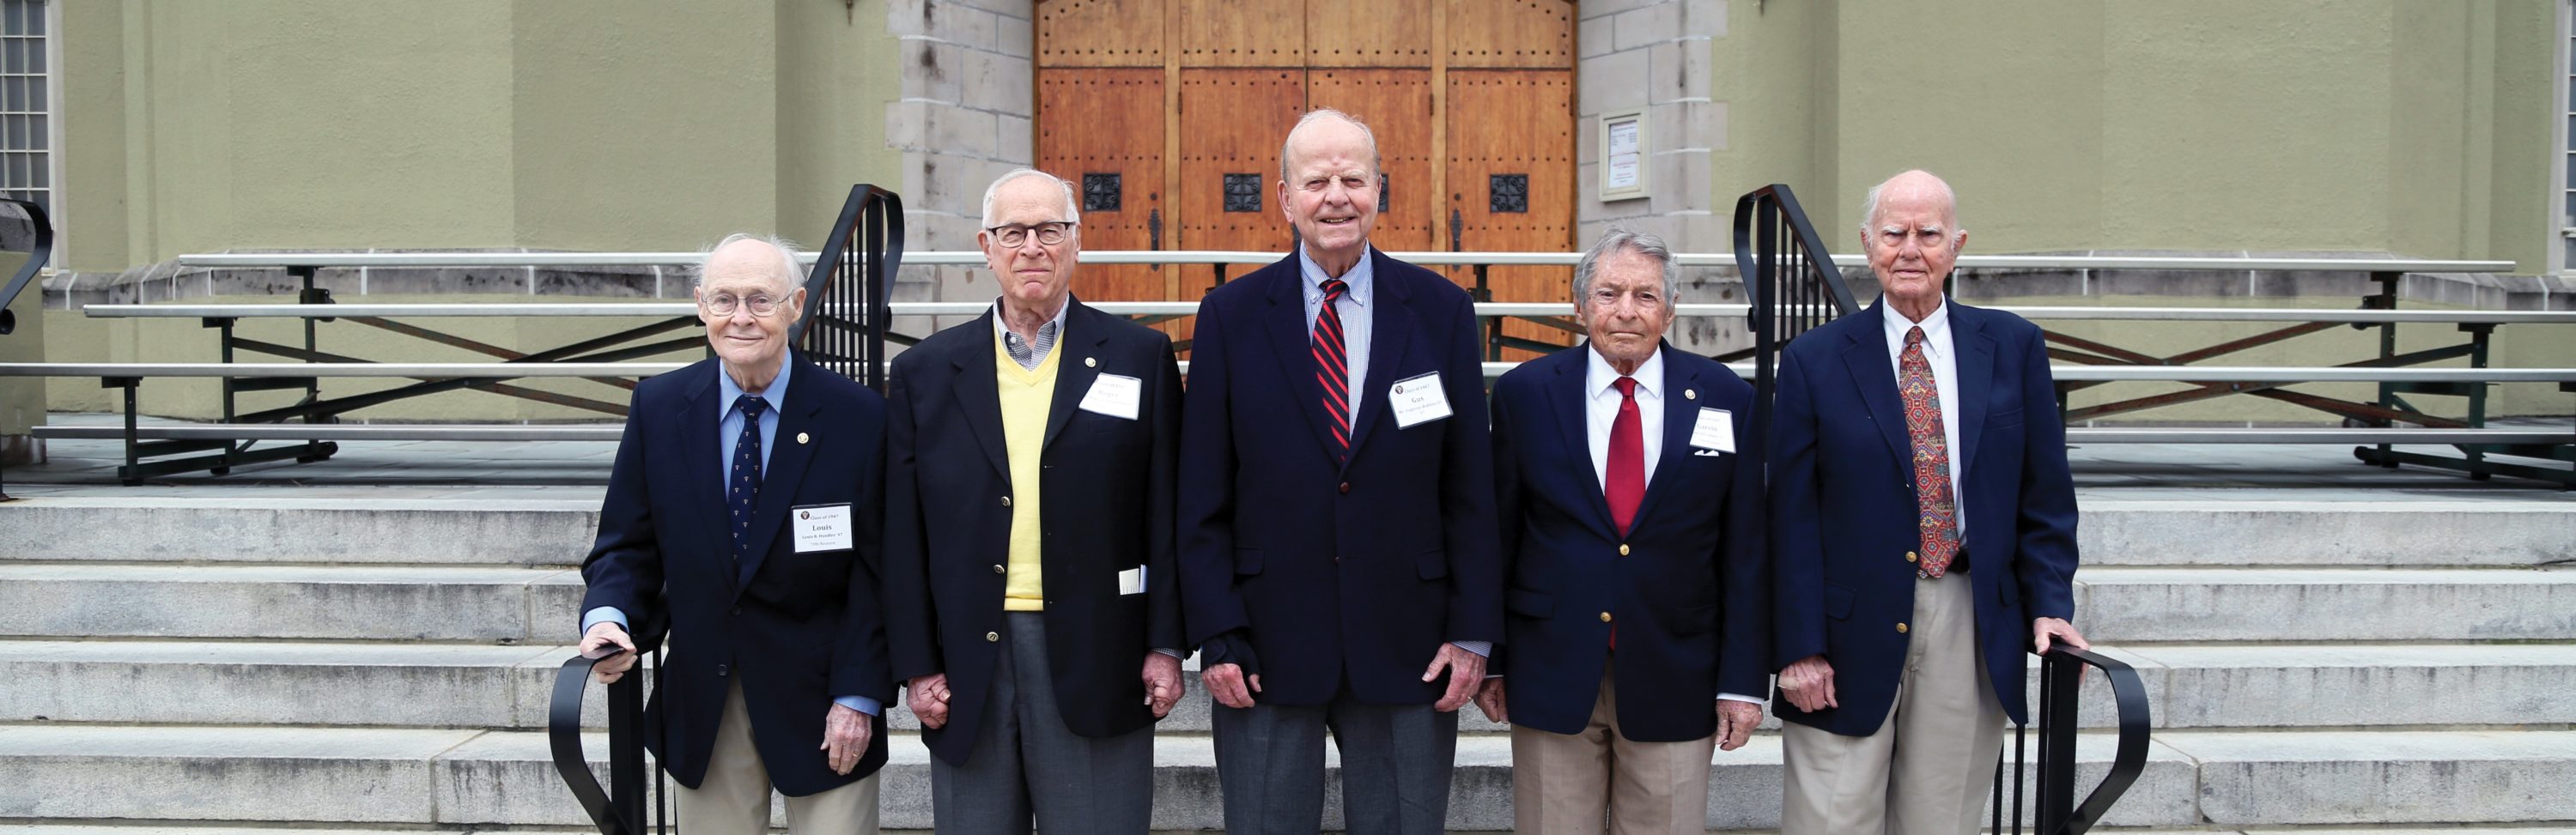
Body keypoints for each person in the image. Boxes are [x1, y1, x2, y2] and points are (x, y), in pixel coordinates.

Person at [1176, 108, 1501, 835]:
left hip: (1410, 644)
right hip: (1263, 645)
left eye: (1353, 179)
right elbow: (1201, 492)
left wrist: (1474, 631)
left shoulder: (1443, 311)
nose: (1336, 196)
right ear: (1285, 197)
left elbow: (1470, 488)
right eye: (1316, 180)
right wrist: (1217, 633)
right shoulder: (1228, 316)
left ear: (1380, 190)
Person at [1769, 170, 2087, 834]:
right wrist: (1798, 645)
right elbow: (1788, 516)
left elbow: (2046, 497)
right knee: (1830, 819)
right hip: (1844, 627)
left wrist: (2051, 604)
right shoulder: (1812, 359)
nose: (1909, 248)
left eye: (1928, 233)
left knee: (1941, 821)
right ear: (1867, 243)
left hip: (1968, 618)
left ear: (1957, 245)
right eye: (1894, 232)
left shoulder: (2013, 347)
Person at [883, 168, 1188, 833]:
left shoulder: (1140, 356)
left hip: (1101, 649)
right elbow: (903, 533)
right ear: (986, 247)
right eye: (1013, 231)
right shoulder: (926, 373)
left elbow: (1164, 512)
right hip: (968, 660)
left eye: (1049, 229)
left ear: (1076, 243)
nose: (1032, 247)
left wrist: (1167, 643)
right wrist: (916, 662)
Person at [578, 233, 891, 834]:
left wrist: (859, 694)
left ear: (796, 305)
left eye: (760, 299)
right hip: (705, 696)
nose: (740, 317)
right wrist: (608, 615)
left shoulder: (859, 415)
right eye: (724, 299)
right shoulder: (659, 407)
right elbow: (626, 543)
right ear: (700, 305)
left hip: (826, 699)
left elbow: (880, 569)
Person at [1476, 229, 1768, 835]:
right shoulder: (1525, 394)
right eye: (1609, 293)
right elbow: (1497, 535)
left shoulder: (1724, 397)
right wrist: (1493, 659)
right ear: (1580, 306)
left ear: (1672, 308)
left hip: (1677, 666)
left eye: (1645, 295)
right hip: (1551, 666)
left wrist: (1743, 680)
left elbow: (1744, 549)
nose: (1627, 311)